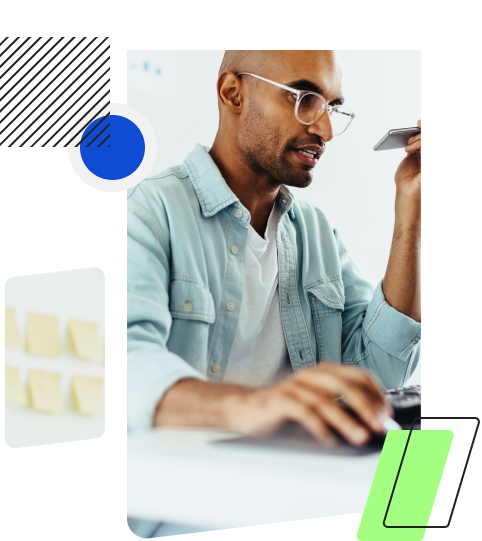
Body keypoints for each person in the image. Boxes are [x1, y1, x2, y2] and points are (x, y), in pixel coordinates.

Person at [127, 50, 422, 536]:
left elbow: (376, 376)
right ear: (233, 92)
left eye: (333, 106)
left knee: (444, 499)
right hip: (190, 503)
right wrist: (258, 406)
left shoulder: (316, 233)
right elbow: (126, 368)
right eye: (306, 99)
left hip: (306, 488)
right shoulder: (152, 211)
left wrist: (411, 211)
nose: (325, 130)